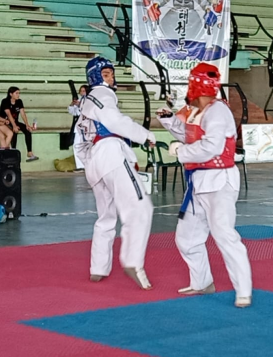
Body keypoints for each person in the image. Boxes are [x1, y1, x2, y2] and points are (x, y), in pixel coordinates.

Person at [157, 63, 252, 308]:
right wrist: (169, 122)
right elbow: (190, 135)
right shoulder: (197, 111)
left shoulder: (218, 111)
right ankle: (202, 282)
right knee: (187, 237)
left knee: (224, 235)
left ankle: (243, 290)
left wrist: (181, 151)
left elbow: (212, 147)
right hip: (198, 182)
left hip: (219, 181)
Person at [74, 56, 156, 289]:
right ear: (96, 77)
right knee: (140, 207)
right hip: (110, 154)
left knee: (106, 217)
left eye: (111, 73)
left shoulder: (85, 103)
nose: (111, 77)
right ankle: (132, 260)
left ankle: (98, 268)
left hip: (95, 162)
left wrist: (90, 163)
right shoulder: (102, 94)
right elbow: (115, 121)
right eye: (107, 73)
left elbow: (79, 142)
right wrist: (145, 135)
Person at [0, 86, 38, 162]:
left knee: (27, 131)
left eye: (19, 93)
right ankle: (13, 151)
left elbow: (23, 113)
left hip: (15, 121)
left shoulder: (19, 101)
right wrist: (14, 126)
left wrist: (27, 125)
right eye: (16, 93)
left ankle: (29, 152)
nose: (18, 95)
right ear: (11, 94)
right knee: (15, 131)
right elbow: (9, 115)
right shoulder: (5, 101)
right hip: (5, 121)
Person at [68, 84, 89, 170]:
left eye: (84, 91)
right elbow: (73, 112)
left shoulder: (90, 100)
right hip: (78, 126)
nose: (82, 92)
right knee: (77, 145)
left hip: (88, 126)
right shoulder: (79, 100)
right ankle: (80, 166)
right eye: (81, 91)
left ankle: (89, 165)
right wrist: (72, 104)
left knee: (88, 146)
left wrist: (80, 104)